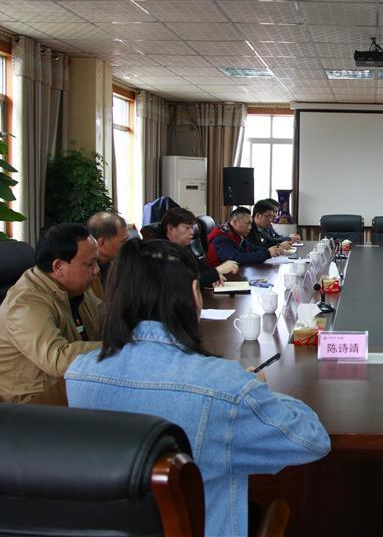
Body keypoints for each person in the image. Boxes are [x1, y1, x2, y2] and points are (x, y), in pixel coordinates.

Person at [65, 239, 330, 537]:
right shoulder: (226, 387)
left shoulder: (79, 375)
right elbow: (312, 440)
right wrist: (257, 389)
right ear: (194, 293)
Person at [0, 223, 103, 403]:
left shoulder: (76, 288)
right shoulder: (26, 303)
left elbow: (104, 318)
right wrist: (118, 348)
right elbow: (57, 359)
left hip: (63, 384)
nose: (97, 270)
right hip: (26, 404)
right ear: (58, 267)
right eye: (90, 264)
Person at [160, 207, 238, 288]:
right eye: (187, 228)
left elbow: (199, 267)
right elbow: (183, 282)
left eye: (191, 228)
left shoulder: (183, 246)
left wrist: (215, 275)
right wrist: (217, 271)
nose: (192, 232)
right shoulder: (160, 251)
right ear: (170, 228)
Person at [206, 206, 283, 266]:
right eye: (248, 223)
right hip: (221, 278)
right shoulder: (221, 237)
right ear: (235, 222)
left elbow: (252, 248)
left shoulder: (236, 234)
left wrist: (271, 250)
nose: (250, 227)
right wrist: (267, 254)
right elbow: (236, 258)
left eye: (251, 224)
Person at [86, 212, 129, 298]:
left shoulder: (116, 265)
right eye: (123, 241)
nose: (127, 246)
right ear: (102, 243)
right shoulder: (84, 275)